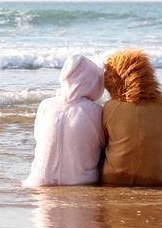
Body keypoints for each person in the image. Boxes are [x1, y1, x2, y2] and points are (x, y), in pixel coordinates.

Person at [100, 49, 162, 186]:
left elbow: (101, 147)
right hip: (159, 180)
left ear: (113, 80)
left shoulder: (109, 108)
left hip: (113, 178)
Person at [23, 53, 105, 187]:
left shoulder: (46, 105)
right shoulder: (96, 111)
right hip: (81, 184)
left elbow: (38, 137)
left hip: (38, 183)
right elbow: (104, 146)